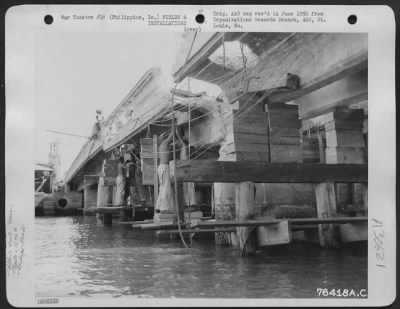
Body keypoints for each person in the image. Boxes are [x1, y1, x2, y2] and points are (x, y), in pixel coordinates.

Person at [175, 126, 196, 208]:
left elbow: (179, 140)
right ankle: (188, 204)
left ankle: (192, 204)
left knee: (189, 188)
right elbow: (178, 140)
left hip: (187, 170)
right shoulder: (183, 147)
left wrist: (177, 130)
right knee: (186, 188)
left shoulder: (184, 146)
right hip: (185, 170)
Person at [155, 129, 175, 214]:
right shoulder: (164, 143)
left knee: (162, 188)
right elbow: (171, 136)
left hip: (161, 167)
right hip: (164, 167)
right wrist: (173, 126)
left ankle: (158, 207)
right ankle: (164, 208)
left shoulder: (161, 145)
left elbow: (170, 137)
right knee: (166, 188)